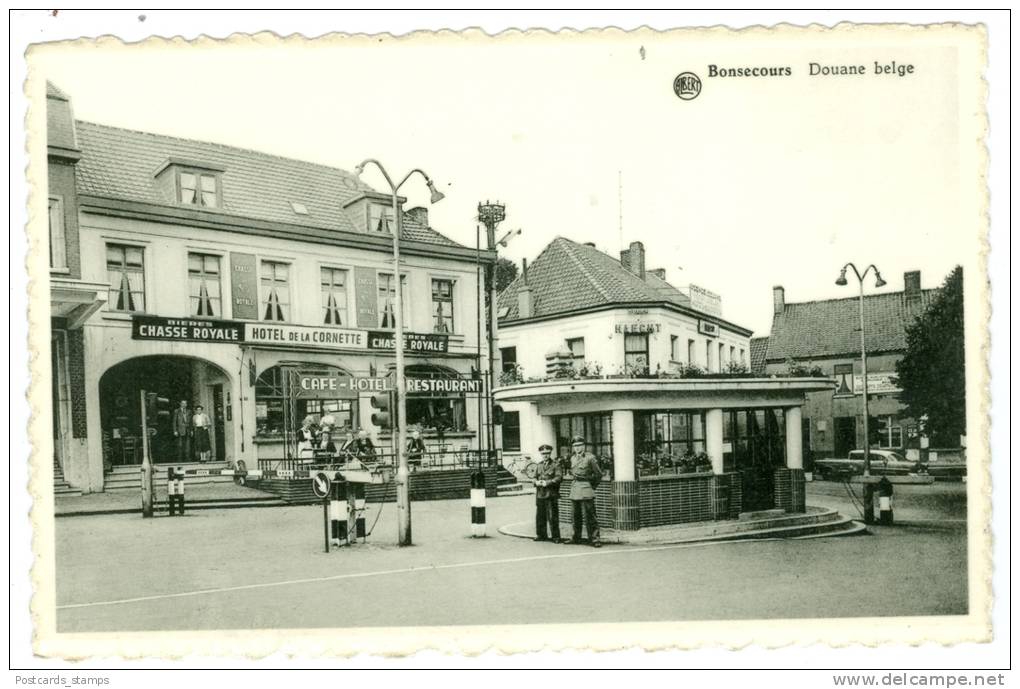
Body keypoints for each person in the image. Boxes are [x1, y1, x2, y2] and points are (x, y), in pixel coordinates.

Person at [567, 435, 601, 547]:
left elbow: (598, 475)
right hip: (575, 488)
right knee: (575, 516)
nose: (577, 448)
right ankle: (576, 537)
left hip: (586, 489)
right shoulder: (572, 458)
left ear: (584, 446)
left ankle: (594, 539)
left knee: (589, 516)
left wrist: (591, 487)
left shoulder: (590, 458)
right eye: (575, 446)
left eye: (580, 445)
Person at [533, 444, 563, 543]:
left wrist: (547, 483)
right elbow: (534, 477)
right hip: (540, 494)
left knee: (553, 516)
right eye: (543, 454)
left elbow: (559, 478)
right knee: (540, 516)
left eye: (547, 453)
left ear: (550, 453)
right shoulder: (539, 465)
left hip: (551, 494)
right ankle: (541, 535)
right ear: (541, 454)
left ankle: (556, 536)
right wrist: (536, 482)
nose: (545, 455)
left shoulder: (556, 464)